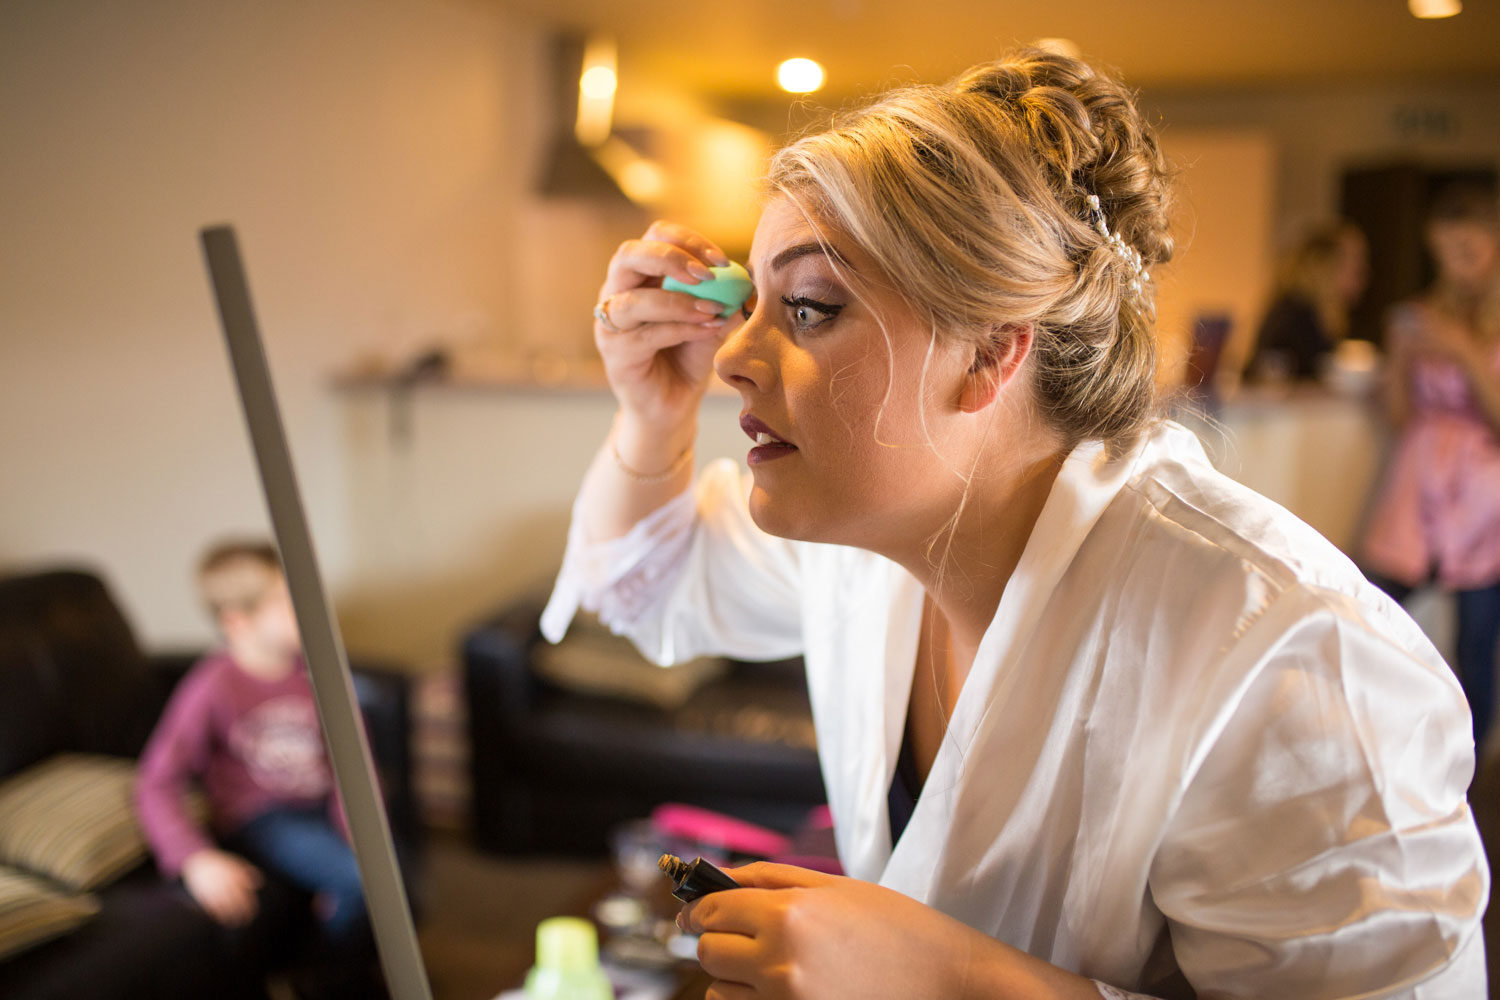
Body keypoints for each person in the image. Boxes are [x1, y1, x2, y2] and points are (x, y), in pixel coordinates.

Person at [542, 49, 1486, 998]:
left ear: (992, 352)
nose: (733, 358)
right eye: (748, 304)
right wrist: (650, 412)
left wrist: (946, 981)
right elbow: (646, 585)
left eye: (810, 307)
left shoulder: (1291, 654)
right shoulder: (871, 546)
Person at [135, 541, 378, 997]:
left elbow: (354, 764)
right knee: (359, 878)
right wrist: (194, 858)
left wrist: (354, 835)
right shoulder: (212, 686)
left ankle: (343, 963)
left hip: (319, 807)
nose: (312, 610)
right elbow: (156, 781)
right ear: (237, 620)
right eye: (290, 601)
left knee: (382, 872)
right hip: (262, 818)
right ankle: (324, 982)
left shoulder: (318, 674)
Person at [1362, 184, 1500, 759]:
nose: (1458, 265)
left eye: (1469, 251)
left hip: (1482, 500)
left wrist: (1466, 355)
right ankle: (1379, 746)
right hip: (1416, 485)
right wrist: (1399, 361)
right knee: (1370, 614)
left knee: (1475, 642)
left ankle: (1464, 771)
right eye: (1446, 252)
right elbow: (1398, 418)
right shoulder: (1419, 316)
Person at [1244, 220, 1368, 382]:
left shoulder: (1316, 313)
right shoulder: (1293, 317)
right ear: (1324, 264)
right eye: (1355, 261)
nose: (1364, 271)